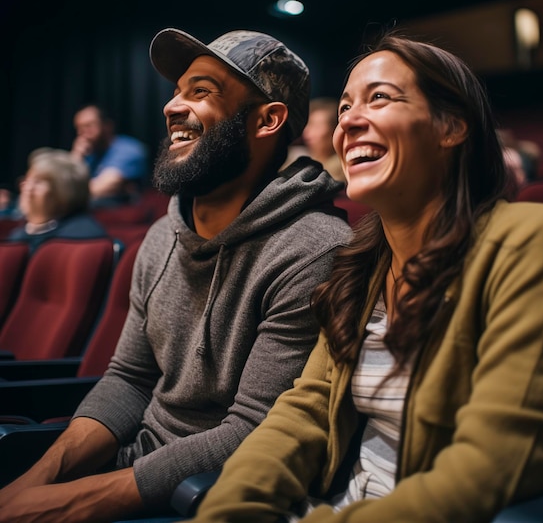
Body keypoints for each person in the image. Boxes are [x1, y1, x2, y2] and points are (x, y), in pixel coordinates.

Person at [189, 32, 543, 522]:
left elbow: (495, 463)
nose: (349, 123)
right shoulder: (360, 264)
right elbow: (306, 410)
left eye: (378, 98)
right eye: (343, 108)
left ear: (451, 127)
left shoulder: (532, 241)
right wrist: (226, 511)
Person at [0, 28, 352, 521]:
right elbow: (128, 378)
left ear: (267, 119)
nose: (172, 107)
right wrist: (37, 478)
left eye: (201, 91)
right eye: (177, 91)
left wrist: (69, 502)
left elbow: (253, 430)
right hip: (131, 468)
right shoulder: (163, 235)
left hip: (207, 497)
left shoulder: (313, 250)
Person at [7, 148, 107, 252]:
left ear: (64, 192)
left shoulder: (81, 237)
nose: (27, 188)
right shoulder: (18, 236)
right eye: (27, 180)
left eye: (37, 182)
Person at [71, 104, 149, 207]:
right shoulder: (87, 154)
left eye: (88, 126)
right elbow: (64, 186)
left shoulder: (129, 149)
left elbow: (98, 189)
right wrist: (76, 156)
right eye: (79, 128)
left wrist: (68, 192)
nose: (83, 133)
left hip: (124, 217)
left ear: (107, 126)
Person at [301, 97, 346, 183]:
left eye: (316, 126)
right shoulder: (296, 159)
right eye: (308, 125)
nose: (307, 133)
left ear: (335, 130)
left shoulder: (342, 171)